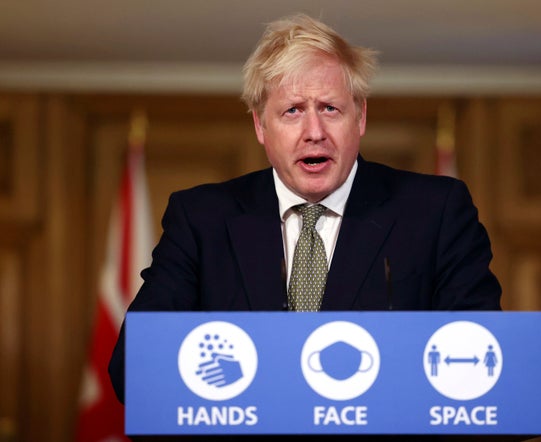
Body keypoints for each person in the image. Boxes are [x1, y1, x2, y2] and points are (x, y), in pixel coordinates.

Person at [109, 13, 502, 405]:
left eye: (330, 108)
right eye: (292, 110)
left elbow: (482, 363)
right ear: (261, 126)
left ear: (360, 116)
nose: (314, 132)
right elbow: (134, 366)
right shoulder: (201, 218)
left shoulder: (435, 211)